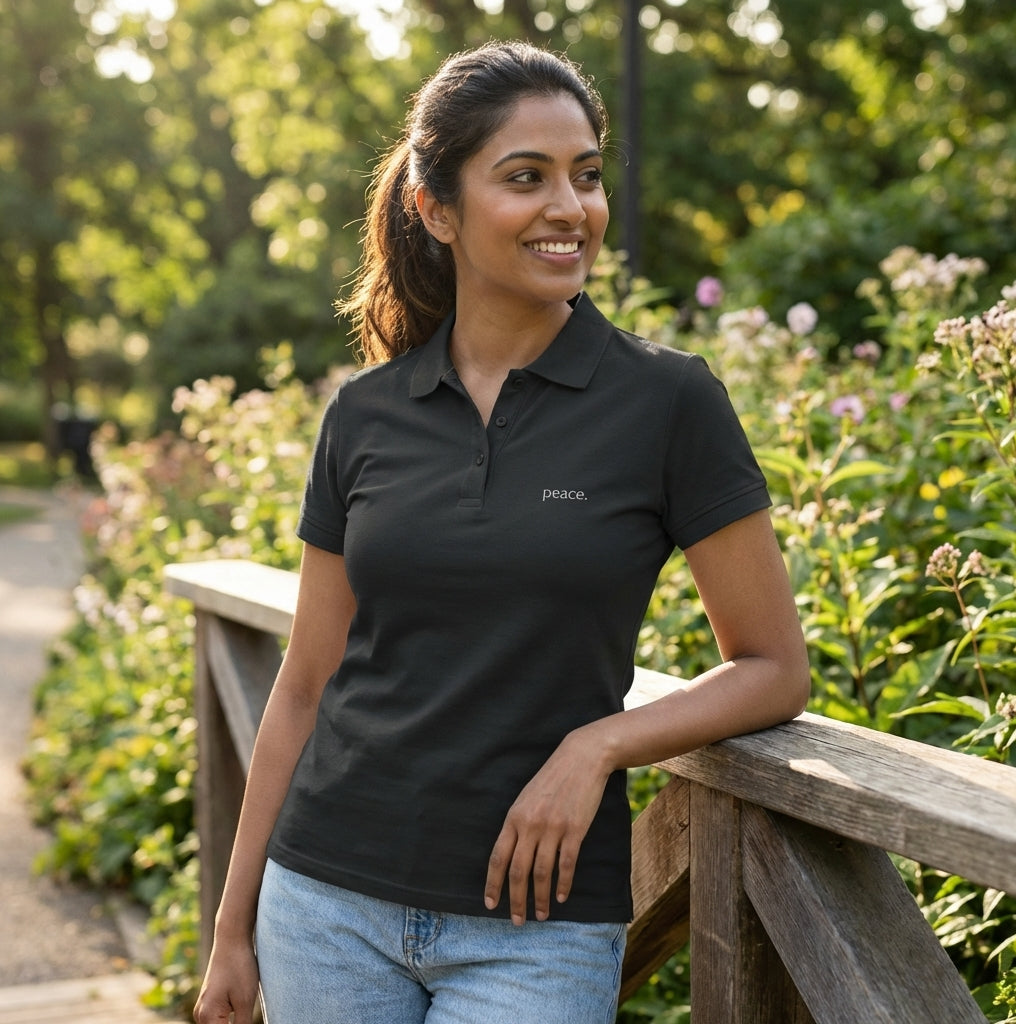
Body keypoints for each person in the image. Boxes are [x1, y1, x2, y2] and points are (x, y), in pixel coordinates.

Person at [192, 39, 810, 1024]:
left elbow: (773, 667)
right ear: (437, 210)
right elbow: (305, 685)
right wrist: (232, 929)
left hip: (538, 929)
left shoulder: (668, 402)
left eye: (587, 175)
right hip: (324, 900)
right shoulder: (366, 413)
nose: (570, 207)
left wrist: (597, 745)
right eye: (525, 178)